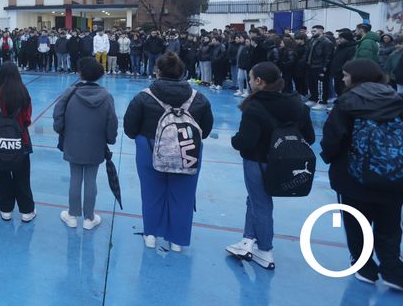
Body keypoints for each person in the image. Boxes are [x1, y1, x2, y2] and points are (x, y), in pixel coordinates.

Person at [320, 59, 403, 290]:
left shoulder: (347, 102)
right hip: (394, 175)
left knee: (357, 222)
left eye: (346, 75)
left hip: (353, 175)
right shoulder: (396, 99)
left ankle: (364, 265)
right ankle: (392, 268)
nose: (344, 79)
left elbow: (333, 138)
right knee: (390, 223)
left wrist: (330, 157)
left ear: (356, 77)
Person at [225, 62, 315, 269]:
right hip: (284, 163)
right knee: (255, 200)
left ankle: (265, 250)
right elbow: (308, 137)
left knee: (261, 204)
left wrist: (234, 141)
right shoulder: (297, 104)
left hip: (258, 161)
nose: (248, 81)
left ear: (259, 81)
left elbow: (246, 140)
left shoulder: (255, 107)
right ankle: (248, 238)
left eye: (250, 77)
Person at [123, 52, 214, 250]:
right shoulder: (199, 99)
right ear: (182, 72)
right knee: (183, 196)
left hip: (150, 149)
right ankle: (177, 240)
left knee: (151, 193)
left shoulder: (143, 98)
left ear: (158, 72)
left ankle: (151, 235)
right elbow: (205, 131)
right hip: (187, 151)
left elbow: (130, 129)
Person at [53, 57, 117, 229]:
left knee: (75, 178)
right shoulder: (106, 96)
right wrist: (110, 139)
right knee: (91, 180)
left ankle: (72, 215)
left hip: (73, 142)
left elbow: (58, 114)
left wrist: (60, 130)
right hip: (95, 144)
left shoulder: (70, 92)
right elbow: (112, 122)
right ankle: (89, 218)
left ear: (80, 73)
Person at [0, 61, 36, 222]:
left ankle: (6, 208)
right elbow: (28, 119)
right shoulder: (23, 93)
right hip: (20, 139)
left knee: (1, 174)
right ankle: (26, 210)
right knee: (22, 176)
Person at [306, 25, 334, 111]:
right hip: (311, 65)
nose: (312, 32)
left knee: (320, 85)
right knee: (311, 83)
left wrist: (324, 68)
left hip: (319, 66)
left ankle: (322, 102)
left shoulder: (326, 42)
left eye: (314, 31)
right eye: (312, 31)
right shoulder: (312, 40)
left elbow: (328, 57)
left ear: (321, 31)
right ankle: (313, 98)